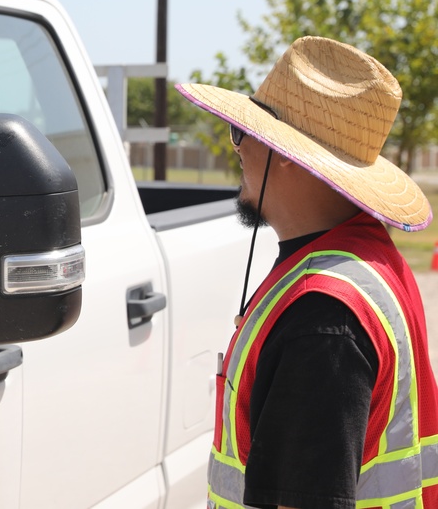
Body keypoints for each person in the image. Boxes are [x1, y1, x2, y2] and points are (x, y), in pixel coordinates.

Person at [176, 36, 438, 509]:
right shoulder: (367, 259)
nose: (236, 147)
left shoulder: (322, 320)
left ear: (291, 157)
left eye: (244, 132)